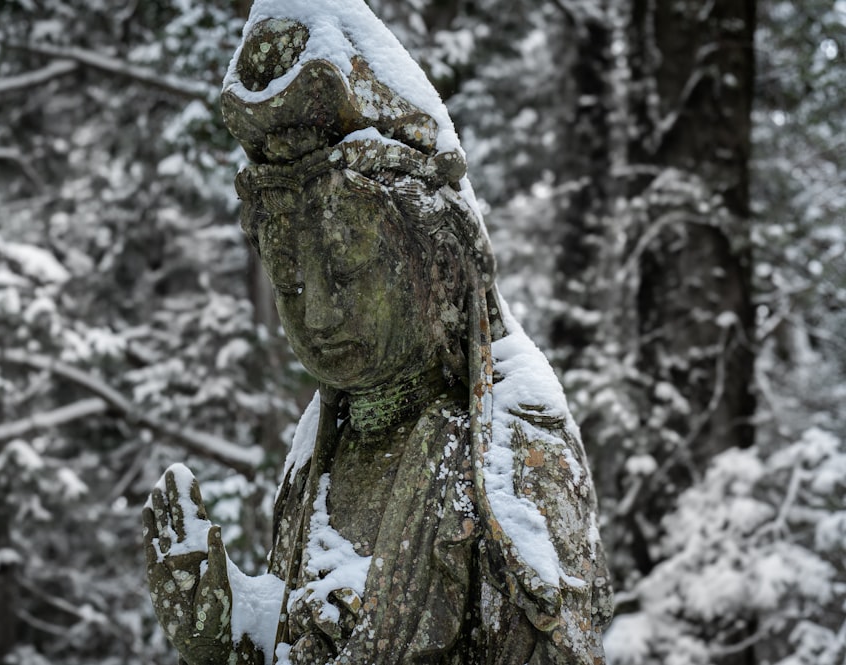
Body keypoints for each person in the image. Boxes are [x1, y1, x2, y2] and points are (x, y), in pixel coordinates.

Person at [143, 2, 612, 663]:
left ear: (441, 262)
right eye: (289, 278)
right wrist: (224, 634)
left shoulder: (508, 453)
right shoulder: (318, 450)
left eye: (347, 266)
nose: (319, 312)